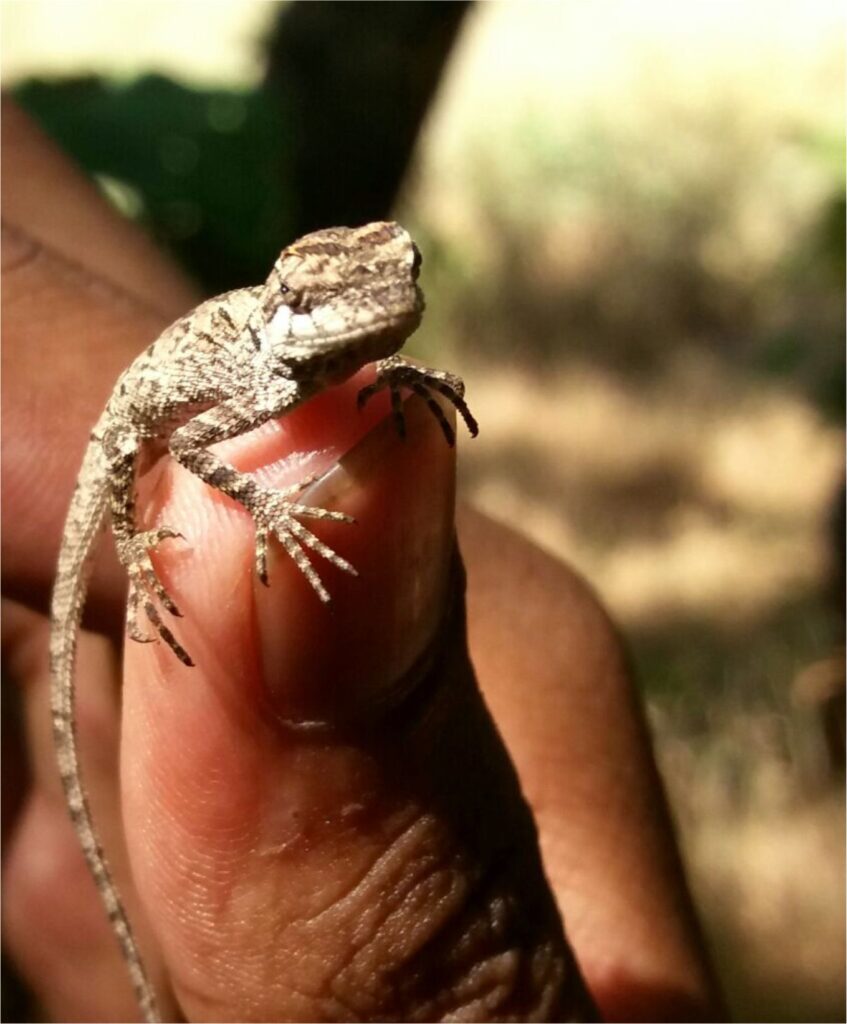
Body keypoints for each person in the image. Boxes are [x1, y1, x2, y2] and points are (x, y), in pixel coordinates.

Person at [1, 101, 723, 1022]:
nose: (391, 304)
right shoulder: (259, 376)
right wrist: (240, 513)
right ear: (289, 311)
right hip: (133, 430)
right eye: (328, 306)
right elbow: (182, 444)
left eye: (400, 280)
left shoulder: (319, 356)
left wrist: (390, 376)